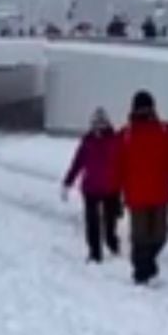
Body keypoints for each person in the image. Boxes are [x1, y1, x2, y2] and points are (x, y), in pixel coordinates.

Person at [115, 90, 168, 285]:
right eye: (141, 108)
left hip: (159, 194)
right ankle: (141, 272)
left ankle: (147, 264)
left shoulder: (165, 130)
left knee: (160, 236)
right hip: (136, 196)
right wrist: (115, 195)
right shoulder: (125, 135)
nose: (144, 111)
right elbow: (117, 167)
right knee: (140, 237)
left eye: (147, 107)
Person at [62, 107, 122, 263]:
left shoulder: (115, 140)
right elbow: (77, 163)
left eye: (102, 123)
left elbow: (123, 164)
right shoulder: (87, 142)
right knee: (92, 222)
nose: (99, 127)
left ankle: (112, 242)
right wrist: (68, 182)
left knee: (110, 222)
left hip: (111, 188)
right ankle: (95, 253)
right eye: (96, 123)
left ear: (107, 124)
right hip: (91, 189)